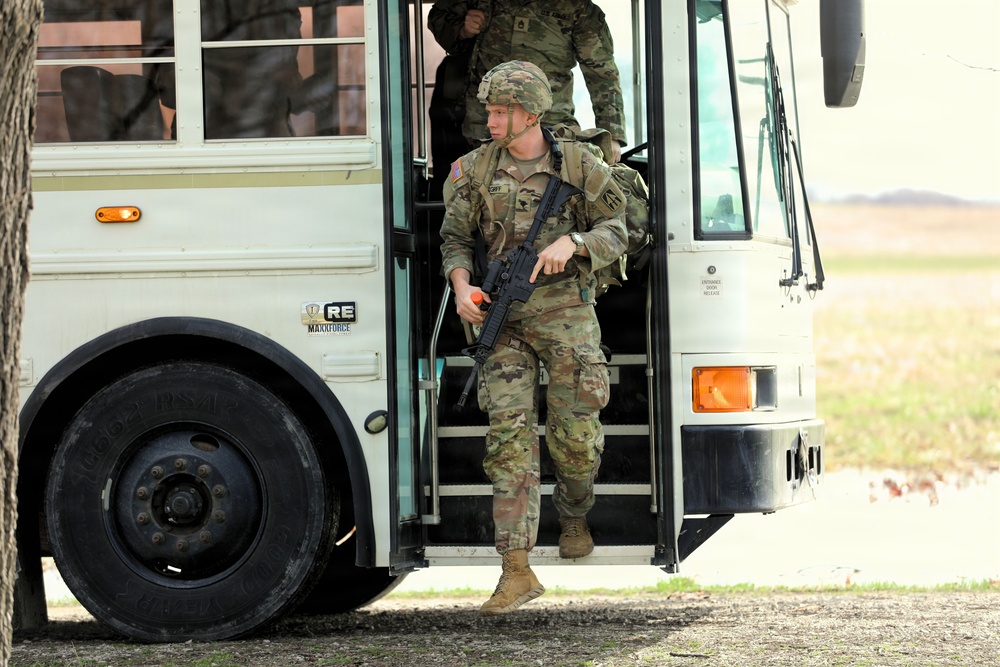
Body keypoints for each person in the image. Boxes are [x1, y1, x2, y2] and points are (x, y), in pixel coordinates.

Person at [439, 61, 627, 616]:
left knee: (574, 440)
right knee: (509, 440)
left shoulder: (580, 164)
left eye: (500, 112)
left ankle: (574, 513)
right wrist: (463, 288)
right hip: (502, 319)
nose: (489, 120)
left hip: (567, 314)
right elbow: (454, 239)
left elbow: (623, 227)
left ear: (530, 114)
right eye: (490, 110)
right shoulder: (472, 170)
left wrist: (575, 243)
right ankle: (516, 570)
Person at [428, 0, 627, 165]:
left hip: (549, 127)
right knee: (487, 201)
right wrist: (462, 29)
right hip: (488, 128)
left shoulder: (576, 7)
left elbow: (602, 74)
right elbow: (438, 16)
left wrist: (613, 134)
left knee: (552, 201)